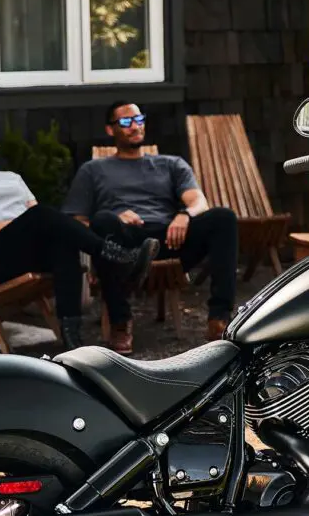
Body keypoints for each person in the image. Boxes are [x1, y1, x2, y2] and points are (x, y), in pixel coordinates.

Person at [0, 115, 158, 350]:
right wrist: (14, 224)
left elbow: (43, 224)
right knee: (41, 215)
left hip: (24, 253)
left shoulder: (11, 178)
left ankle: (72, 340)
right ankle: (114, 256)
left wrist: (24, 223)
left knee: (62, 243)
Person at [63, 102, 239, 354]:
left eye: (139, 119)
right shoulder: (93, 170)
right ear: (110, 130)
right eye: (125, 122)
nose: (135, 126)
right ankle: (120, 322)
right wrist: (116, 217)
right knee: (103, 221)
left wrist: (184, 215)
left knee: (223, 218)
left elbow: (198, 201)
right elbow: (75, 222)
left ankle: (219, 320)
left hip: (169, 239)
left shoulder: (170, 164)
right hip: (124, 244)